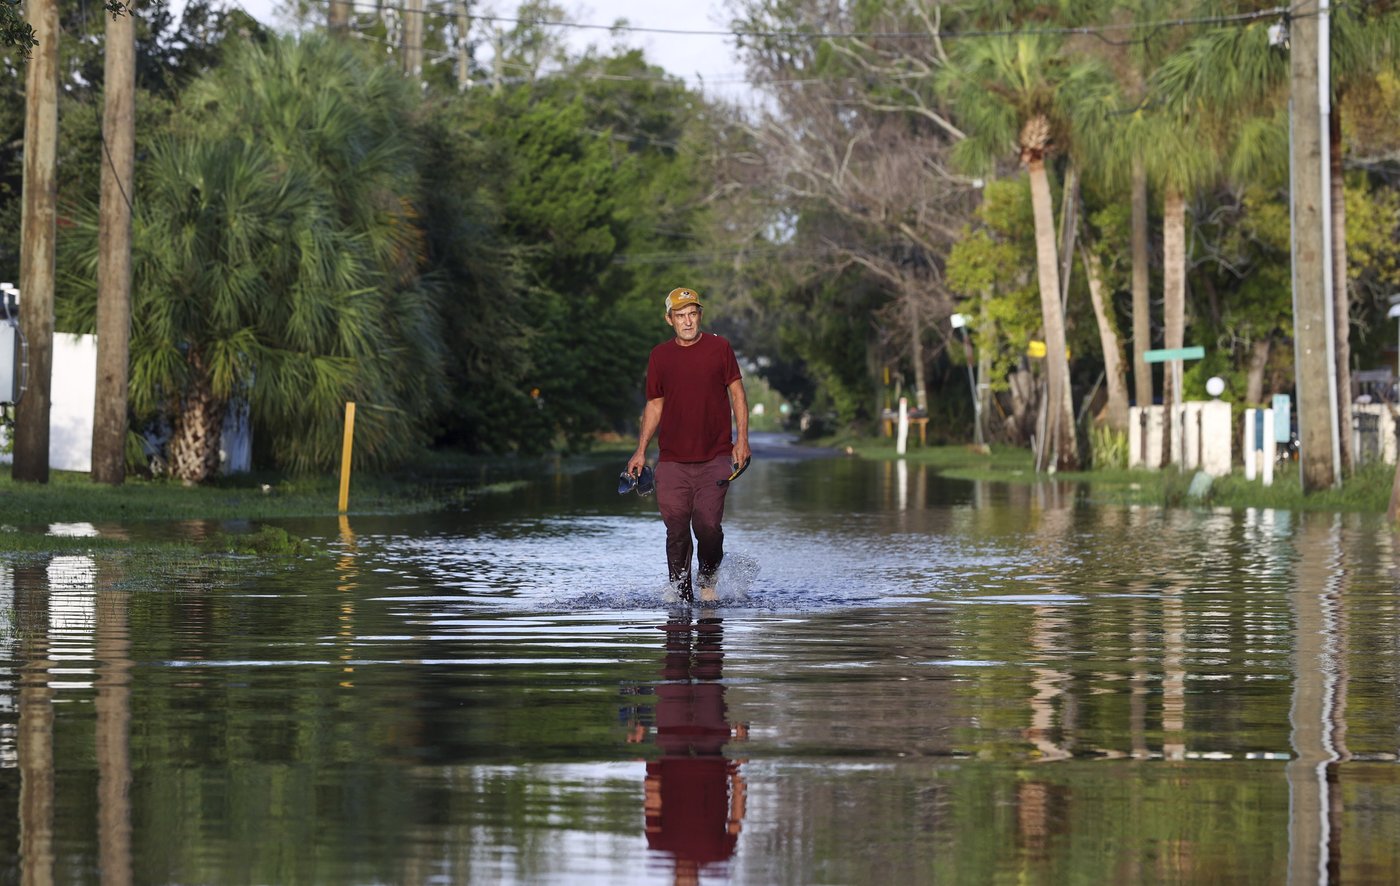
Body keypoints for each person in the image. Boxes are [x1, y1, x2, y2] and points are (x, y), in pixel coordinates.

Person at [627, 287, 750, 603]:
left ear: (700, 315)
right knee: (677, 529)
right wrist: (641, 451)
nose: (687, 321)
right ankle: (680, 594)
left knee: (708, 525)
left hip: (715, 456)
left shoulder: (720, 348)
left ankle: (707, 582)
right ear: (669, 320)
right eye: (680, 316)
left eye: (692, 314)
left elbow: (737, 393)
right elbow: (655, 405)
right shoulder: (660, 356)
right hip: (671, 461)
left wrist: (743, 440)